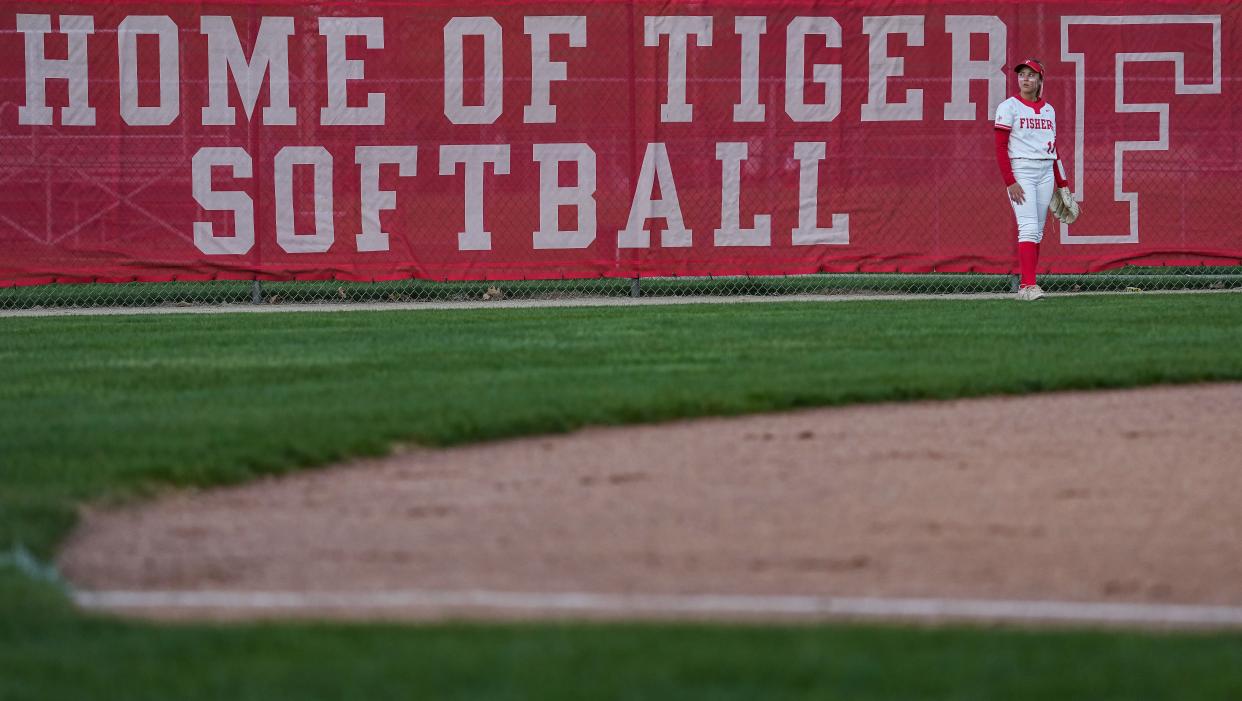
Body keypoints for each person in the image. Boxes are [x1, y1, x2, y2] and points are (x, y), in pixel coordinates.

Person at [993, 58, 1070, 301]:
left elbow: (1053, 150)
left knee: (1037, 233)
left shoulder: (1049, 110)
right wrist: (1010, 181)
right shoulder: (1009, 107)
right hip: (1022, 171)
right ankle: (1028, 285)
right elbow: (1000, 147)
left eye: (1031, 74)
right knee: (1028, 227)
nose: (1025, 79)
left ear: (1040, 80)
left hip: (1046, 172)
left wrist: (1062, 184)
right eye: (1022, 74)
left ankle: (1026, 286)